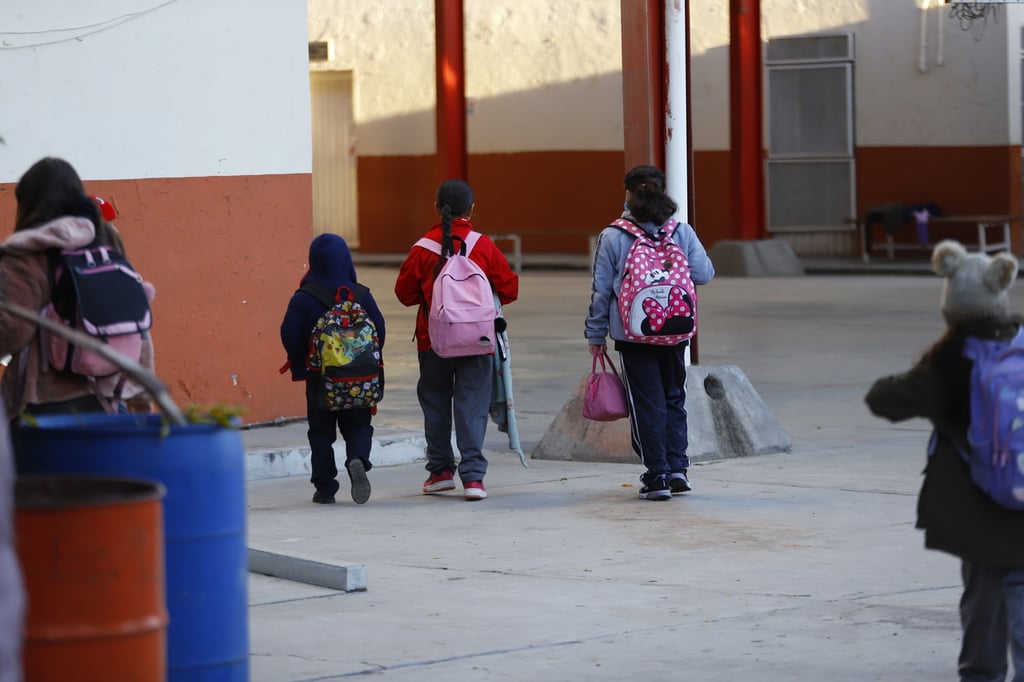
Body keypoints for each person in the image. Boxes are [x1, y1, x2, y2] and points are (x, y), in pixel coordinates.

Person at [866, 240, 1024, 682]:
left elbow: (882, 400)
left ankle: (981, 675)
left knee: (983, 597)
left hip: (979, 511)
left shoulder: (950, 366)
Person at [0, 157, 154, 444]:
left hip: (41, 405)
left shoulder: (26, 255)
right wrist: (142, 403)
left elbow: (11, 331)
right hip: (108, 402)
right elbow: (135, 328)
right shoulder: (105, 248)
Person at [585, 164, 715, 501]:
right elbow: (704, 273)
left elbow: (601, 291)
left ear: (627, 194)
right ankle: (678, 469)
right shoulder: (680, 231)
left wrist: (595, 335)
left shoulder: (613, 235)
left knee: (647, 403)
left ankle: (656, 476)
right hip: (675, 329)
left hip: (633, 333)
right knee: (675, 397)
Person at [395, 179, 519, 501]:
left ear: (437, 209)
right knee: (472, 404)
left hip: (432, 339)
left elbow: (404, 294)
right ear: (472, 209)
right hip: (477, 339)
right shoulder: (483, 245)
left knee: (435, 401)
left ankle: (440, 473)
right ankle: (474, 479)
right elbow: (510, 289)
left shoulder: (422, 247)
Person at [280, 233, 385, 505]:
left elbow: (289, 332)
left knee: (321, 432)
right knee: (359, 424)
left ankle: (325, 486)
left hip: (320, 380)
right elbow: (379, 332)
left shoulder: (304, 298)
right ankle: (357, 459)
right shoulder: (361, 295)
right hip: (359, 379)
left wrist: (301, 364)